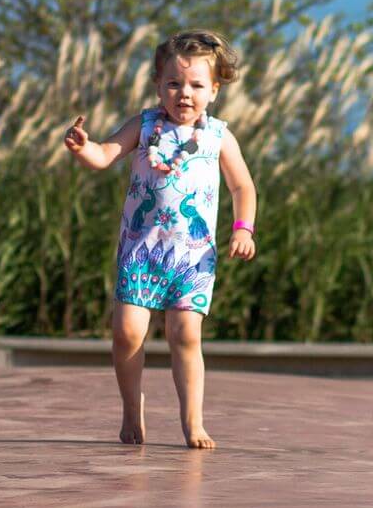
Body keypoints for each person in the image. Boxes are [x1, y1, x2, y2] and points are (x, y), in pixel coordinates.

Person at [62, 30, 257, 448]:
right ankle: (132, 412)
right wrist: (83, 147)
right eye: (173, 83)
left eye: (196, 85)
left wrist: (243, 228)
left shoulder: (219, 137)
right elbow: (104, 155)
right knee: (127, 334)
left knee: (185, 335)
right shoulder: (144, 125)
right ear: (157, 85)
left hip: (192, 258)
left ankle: (193, 422)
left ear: (214, 90)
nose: (184, 93)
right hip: (141, 251)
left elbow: (242, 187)